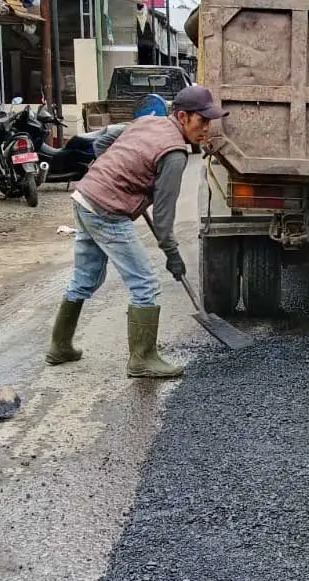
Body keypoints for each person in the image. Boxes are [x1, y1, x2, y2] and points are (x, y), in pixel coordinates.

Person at [44, 86, 225, 378]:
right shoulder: (175, 154)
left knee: (85, 278)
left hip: (85, 197)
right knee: (146, 283)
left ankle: (60, 346)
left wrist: (115, 172)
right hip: (106, 210)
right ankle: (143, 359)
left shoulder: (147, 121)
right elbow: (164, 219)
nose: (206, 128)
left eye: (209, 121)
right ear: (182, 116)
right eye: (201, 121)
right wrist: (172, 255)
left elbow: (105, 139)